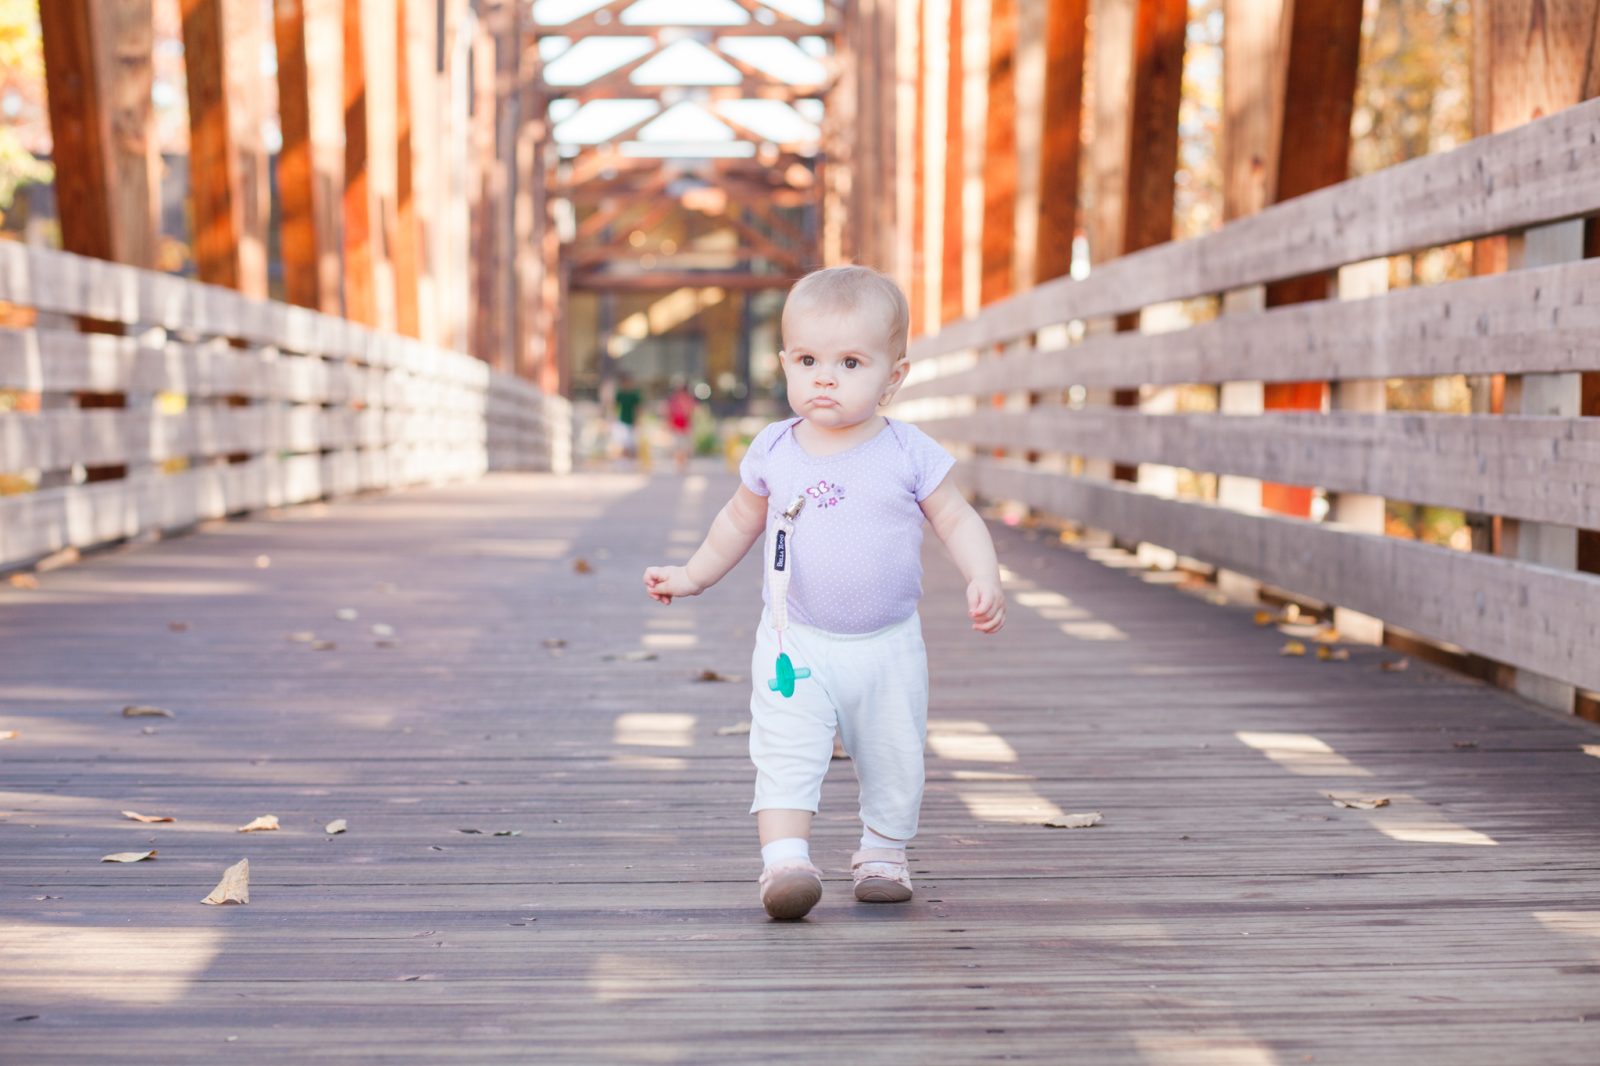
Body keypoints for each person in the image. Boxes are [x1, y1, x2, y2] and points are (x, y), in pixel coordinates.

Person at [641, 265, 1006, 920]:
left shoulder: (907, 451)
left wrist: (983, 573)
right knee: (784, 745)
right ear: (784, 362)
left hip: (888, 644)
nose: (824, 377)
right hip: (795, 638)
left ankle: (883, 852)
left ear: (894, 377)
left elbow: (956, 518)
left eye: (850, 362)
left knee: (894, 754)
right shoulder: (775, 449)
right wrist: (694, 574)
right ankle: (785, 862)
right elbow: (736, 522)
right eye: (807, 360)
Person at [664, 377, 696, 472]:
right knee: (678, 447)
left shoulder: (688, 399)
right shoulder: (673, 400)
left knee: (684, 447)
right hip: (676, 426)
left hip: (685, 427)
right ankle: (679, 464)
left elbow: (690, 413)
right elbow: (669, 413)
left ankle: (683, 463)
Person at [612, 372, 643, 463]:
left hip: (632, 421)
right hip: (622, 420)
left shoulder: (634, 394)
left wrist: (637, 420)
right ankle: (625, 460)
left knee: (633, 443)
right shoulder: (620, 393)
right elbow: (615, 406)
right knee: (624, 443)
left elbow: (638, 408)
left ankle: (633, 460)